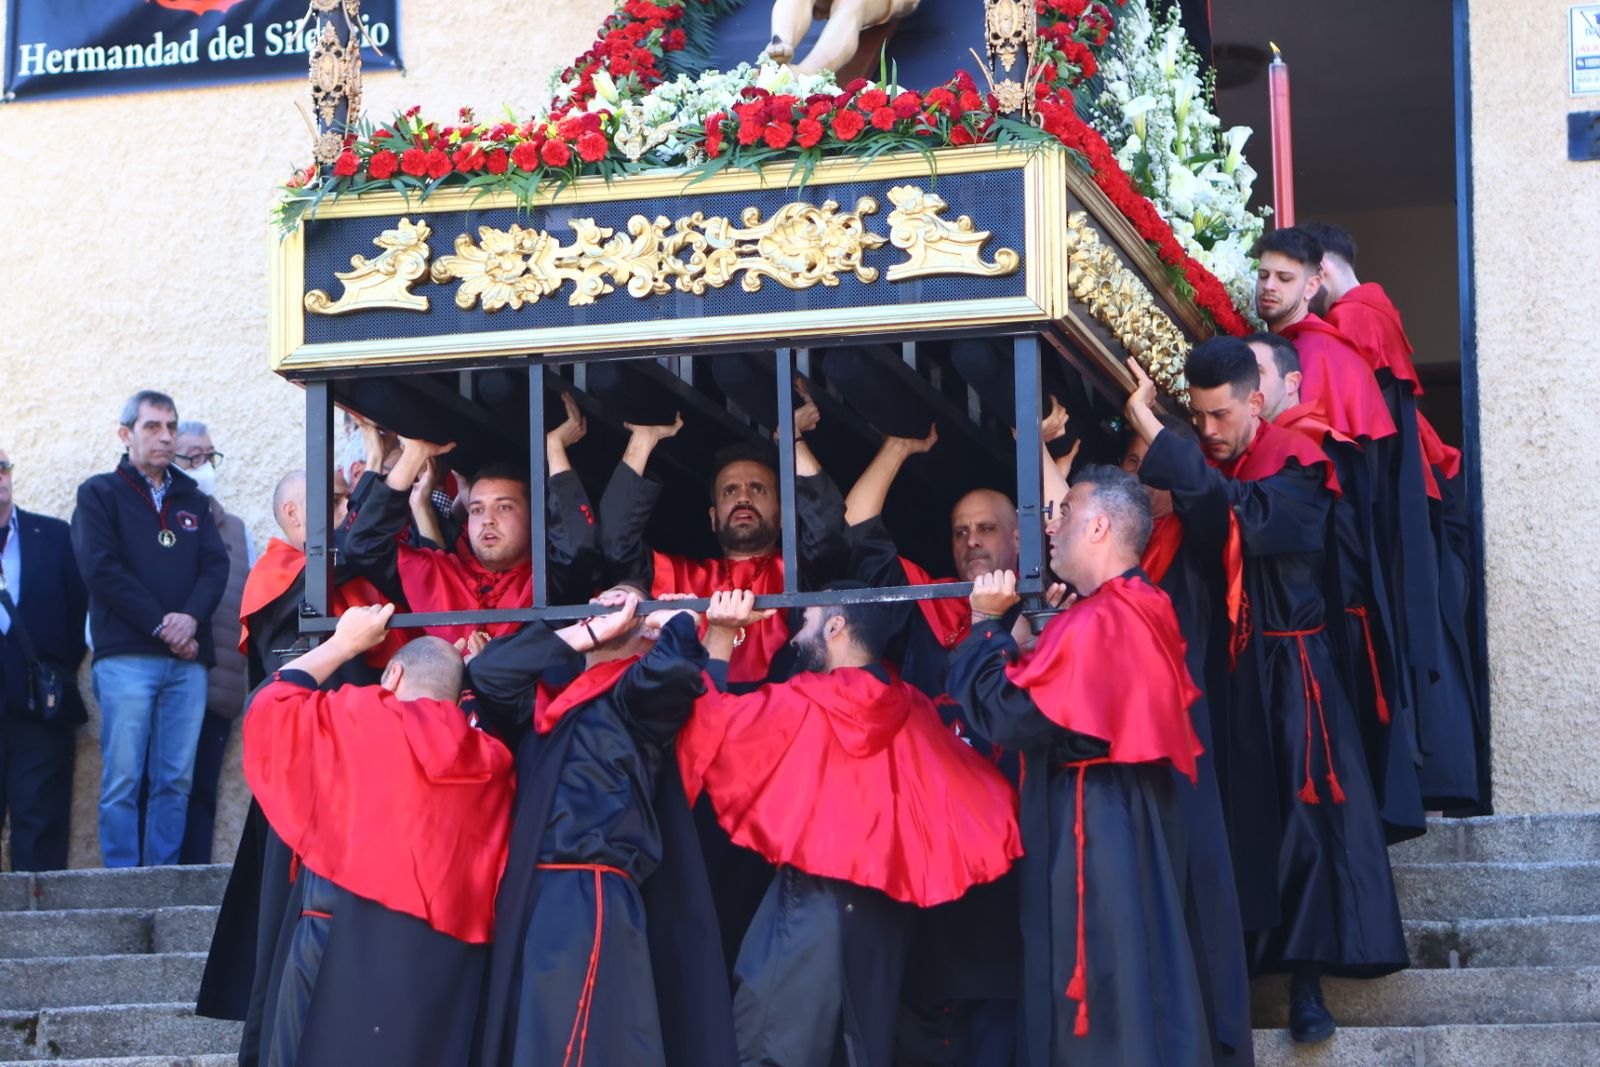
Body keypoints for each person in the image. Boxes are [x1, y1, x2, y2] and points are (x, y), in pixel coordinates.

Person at [1126, 338, 1407, 1044]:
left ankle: (1308, 983)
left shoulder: (1299, 458)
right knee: (1236, 820)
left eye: (1220, 416)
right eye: (1199, 417)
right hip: (1229, 671)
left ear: (1256, 401)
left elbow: (1241, 520)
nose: (1210, 431)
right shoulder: (1231, 461)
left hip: (1292, 672)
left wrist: (1159, 434)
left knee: (1304, 829)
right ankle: (1240, 972)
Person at [676, 584, 1022, 1067]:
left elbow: (706, 728)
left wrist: (720, 637)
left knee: (771, 1046)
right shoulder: (914, 709)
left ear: (836, 628)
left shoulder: (804, 699)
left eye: (811, 618)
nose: (799, 633)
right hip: (885, 920)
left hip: (810, 905)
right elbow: (980, 803)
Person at [945, 466, 1211, 1067]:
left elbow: (1013, 719)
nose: (1050, 526)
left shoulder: (1099, 620)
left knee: (1095, 975)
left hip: (1094, 820)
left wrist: (987, 627)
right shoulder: (1138, 603)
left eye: (1062, 513)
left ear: (1097, 527)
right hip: (1124, 807)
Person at [466, 592, 738, 1067]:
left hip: (587, 886)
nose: (604, 608)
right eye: (597, 604)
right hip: (530, 888)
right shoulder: (547, 701)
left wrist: (673, 621)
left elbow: (673, 671)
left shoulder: (634, 699)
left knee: (577, 1035)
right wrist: (584, 633)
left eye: (620, 605)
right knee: (529, 1032)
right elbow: (489, 672)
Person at [241, 604, 514, 1067]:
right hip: (438, 955)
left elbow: (271, 703)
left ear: (391, 674)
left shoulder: (361, 712)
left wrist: (343, 643)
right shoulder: (492, 759)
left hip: (334, 930)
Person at [1304, 220, 1483, 810]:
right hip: (1428, 493)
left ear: (1320, 271)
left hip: (1401, 497)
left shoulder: (1351, 318)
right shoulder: (1379, 308)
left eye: (1296, 277)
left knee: (1408, 631)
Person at [1118, 419, 1256, 1065]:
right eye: (1133, 465)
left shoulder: (1196, 541)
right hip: (1134, 750)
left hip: (1193, 741)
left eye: (1155, 466)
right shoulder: (1121, 562)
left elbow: (1211, 502)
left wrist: (1151, 419)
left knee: (1200, 883)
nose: (1142, 481)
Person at [1249, 334, 1423, 842]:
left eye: (1256, 375)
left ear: (1292, 382)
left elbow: (1344, 555)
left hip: (1329, 629)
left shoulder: (1315, 446)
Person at [598, 381, 848, 685]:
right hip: (697, 711)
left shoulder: (800, 571)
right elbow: (616, 544)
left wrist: (791, 440)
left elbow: (828, 530)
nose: (743, 497)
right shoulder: (684, 577)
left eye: (757, 488)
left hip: (785, 716)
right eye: (730, 490)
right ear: (713, 519)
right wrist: (643, 441)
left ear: (782, 515)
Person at [72, 390, 229, 867]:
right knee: (123, 776)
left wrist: (189, 620)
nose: (165, 436)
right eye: (153, 427)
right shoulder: (99, 493)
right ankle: (122, 879)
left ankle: (162, 876)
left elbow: (214, 568)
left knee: (175, 780)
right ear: (126, 434)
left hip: (187, 663)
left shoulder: (194, 499)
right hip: (127, 658)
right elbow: (101, 569)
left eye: (171, 427)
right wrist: (163, 624)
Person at [343, 393, 600, 642]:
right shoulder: (437, 573)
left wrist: (554, 448)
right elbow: (364, 546)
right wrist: (413, 456)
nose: (488, 519)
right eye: (477, 509)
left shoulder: (550, 578)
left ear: (534, 518)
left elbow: (576, 544)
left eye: (504, 507)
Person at [0, 446, 89, 871]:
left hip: (40, 706)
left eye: (2, 467)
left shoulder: (52, 536)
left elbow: (78, 615)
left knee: (42, 822)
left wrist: (52, 672)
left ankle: (43, 927)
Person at [172, 421, 252, 865]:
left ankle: (194, 876)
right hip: (163, 676)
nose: (203, 466)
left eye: (209, 456)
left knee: (201, 790)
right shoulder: (155, 520)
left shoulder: (237, 530)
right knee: (158, 786)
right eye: (192, 457)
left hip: (218, 686)